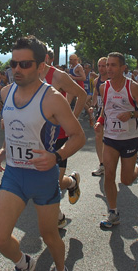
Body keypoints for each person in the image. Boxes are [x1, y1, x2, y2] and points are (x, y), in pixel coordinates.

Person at [0, 36, 85, 271]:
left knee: (50, 236)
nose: (17, 70)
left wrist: (56, 157)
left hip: (43, 177)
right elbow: (14, 126)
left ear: (41, 66)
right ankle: (25, 263)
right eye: (14, 64)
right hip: (14, 175)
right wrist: (4, 148)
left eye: (25, 64)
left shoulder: (53, 98)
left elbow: (78, 136)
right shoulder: (5, 93)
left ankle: (61, 268)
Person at [94, 52, 138, 228]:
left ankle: (137, 166)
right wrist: (100, 121)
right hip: (111, 137)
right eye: (106, 65)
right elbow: (106, 108)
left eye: (112, 65)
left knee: (126, 180)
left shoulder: (132, 87)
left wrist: (132, 114)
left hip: (130, 138)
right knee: (109, 174)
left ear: (122, 68)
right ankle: (113, 212)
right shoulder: (104, 87)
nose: (108, 68)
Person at [39, 49, 87, 229]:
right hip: (37, 136)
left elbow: (81, 95)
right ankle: (58, 213)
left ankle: (71, 182)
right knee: (43, 178)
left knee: (56, 181)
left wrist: (71, 119)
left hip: (58, 135)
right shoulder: (29, 75)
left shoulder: (58, 76)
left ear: (45, 58)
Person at [91, 56, 108, 176]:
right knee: (98, 135)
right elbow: (95, 94)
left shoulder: (113, 80)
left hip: (114, 112)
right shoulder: (97, 81)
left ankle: (132, 157)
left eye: (104, 66)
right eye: (99, 66)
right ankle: (102, 164)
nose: (101, 68)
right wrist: (92, 106)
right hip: (101, 111)